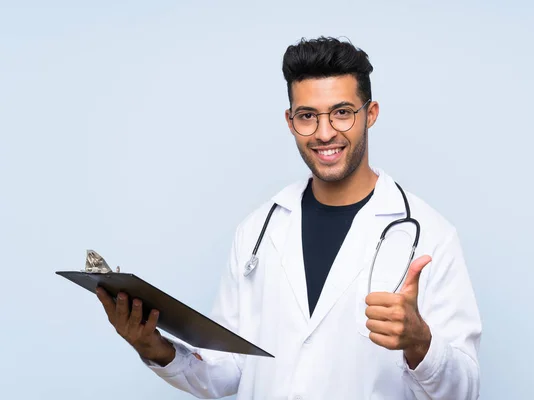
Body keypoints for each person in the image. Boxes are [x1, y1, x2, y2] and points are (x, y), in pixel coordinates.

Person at [96, 36, 482, 399]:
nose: (324, 132)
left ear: (371, 114)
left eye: (343, 113)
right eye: (307, 116)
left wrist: (420, 343)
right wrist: (154, 346)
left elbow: (464, 389)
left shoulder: (430, 235)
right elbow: (227, 370)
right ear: (289, 120)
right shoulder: (258, 230)